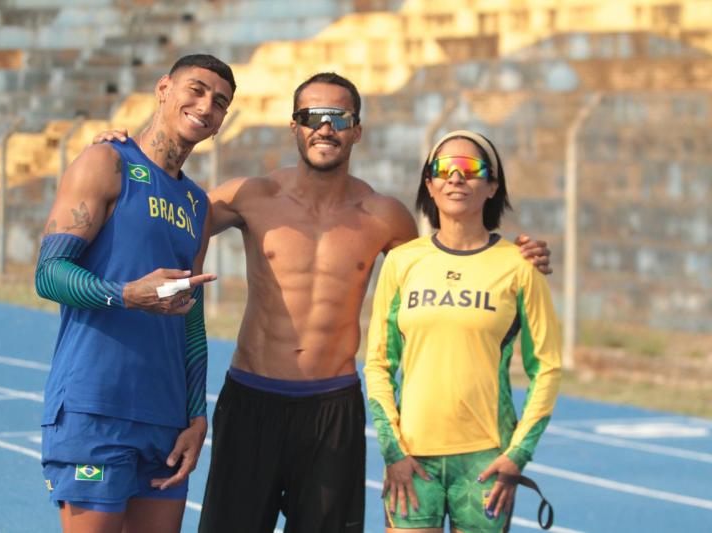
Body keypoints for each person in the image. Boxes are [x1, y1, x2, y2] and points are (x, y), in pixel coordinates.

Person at [94, 72, 552, 533]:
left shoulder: (385, 216)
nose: (325, 127)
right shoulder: (249, 196)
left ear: (357, 130)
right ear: (294, 126)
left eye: (339, 117)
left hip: (332, 408)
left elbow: (448, 258)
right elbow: (163, 208)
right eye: (312, 116)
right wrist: (127, 152)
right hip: (252, 398)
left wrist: (515, 253)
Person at [34, 54, 235, 532]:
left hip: (166, 417)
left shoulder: (196, 202)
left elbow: (190, 315)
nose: (207, 106)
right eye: (197, 89)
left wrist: (195, 415)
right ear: (164, 88)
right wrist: (125, 294)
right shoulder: (107, 162)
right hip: (96, 404)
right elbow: (48, 274)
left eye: (221, 102)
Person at [364, 130, 562, 532]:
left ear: (492, 186)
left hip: (486, 461)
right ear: (429, 184)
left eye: (471, 169)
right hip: (412, 461)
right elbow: (379, 364)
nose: (456, 177)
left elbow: (547, 368)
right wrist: (393, 451)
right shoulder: (402, 263)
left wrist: (517, 455)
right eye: (443, 169)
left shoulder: (521, 266)